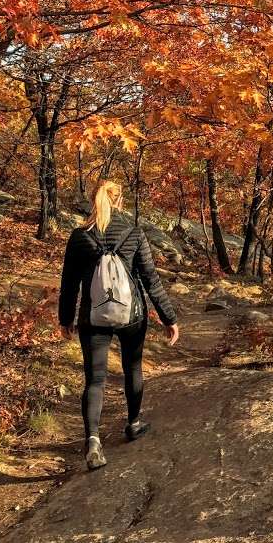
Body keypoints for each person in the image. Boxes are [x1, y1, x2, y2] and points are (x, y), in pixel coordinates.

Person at [58, 179, 180, 470]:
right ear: (119, 201)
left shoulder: (78, 236)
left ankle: (93, 442)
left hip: (93, 318)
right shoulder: (134, 233)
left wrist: (66, 320)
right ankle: (134, 424)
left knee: (95, 379)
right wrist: (169, 318)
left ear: (93, 200)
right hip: (132, 317)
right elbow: (151, 279)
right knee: (133, 368)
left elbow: (69, 285)